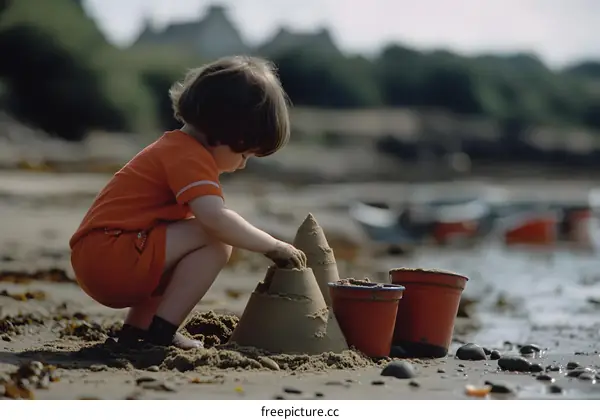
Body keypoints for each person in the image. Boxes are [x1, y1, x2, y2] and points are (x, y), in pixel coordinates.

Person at [69, 55, 307, 350]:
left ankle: (137, 331)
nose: (242, 166)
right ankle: (162, 331)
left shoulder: (174, 148)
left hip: (99, 256)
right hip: (111, 256)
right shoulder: (189, 156)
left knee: (179, 239)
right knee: (215, 240)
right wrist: (274, 246)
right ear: (227, 134)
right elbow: (216, 219)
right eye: (244, 155)